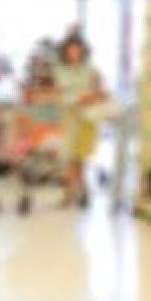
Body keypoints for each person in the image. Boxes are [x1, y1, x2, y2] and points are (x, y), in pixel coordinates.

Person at [54, 35, 105, 208]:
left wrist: (92, 94)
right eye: (71, 49)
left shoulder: (90, 68)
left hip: (87, 118)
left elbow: (100, 89)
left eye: (77, 48)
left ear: (83, 50)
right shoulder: (60, 70)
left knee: (80, 158)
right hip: (69, 118)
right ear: (65, 51)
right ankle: (74, 192)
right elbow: (60, 92)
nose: (74, 52)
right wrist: (75, 97)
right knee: (69, 156)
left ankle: (78, 192)